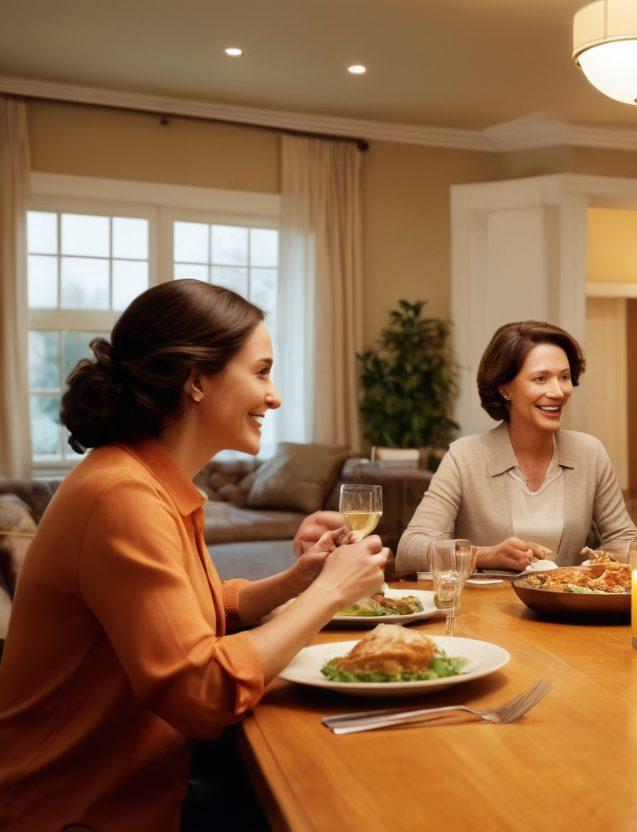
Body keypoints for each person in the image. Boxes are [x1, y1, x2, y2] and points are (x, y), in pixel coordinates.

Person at [0, 280, 388, 830]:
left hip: (146, 781)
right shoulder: (122, 497)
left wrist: (297, 580)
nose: (274, 396)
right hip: (82, 808)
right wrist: (331, 594)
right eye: (261, 371)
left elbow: (187, 616)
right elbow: (203, 693)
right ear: (197, 380)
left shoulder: (143, 478)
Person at [396, 320, 636, 574]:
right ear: (504, 389)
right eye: (541, 378)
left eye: (564, 377)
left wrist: (587, 571)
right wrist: (483, 555)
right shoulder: (465, 456)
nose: (558, 391)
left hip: (566, 612)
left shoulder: (589, 452)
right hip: (484, 612)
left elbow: (624, 541)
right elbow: (409, 550)